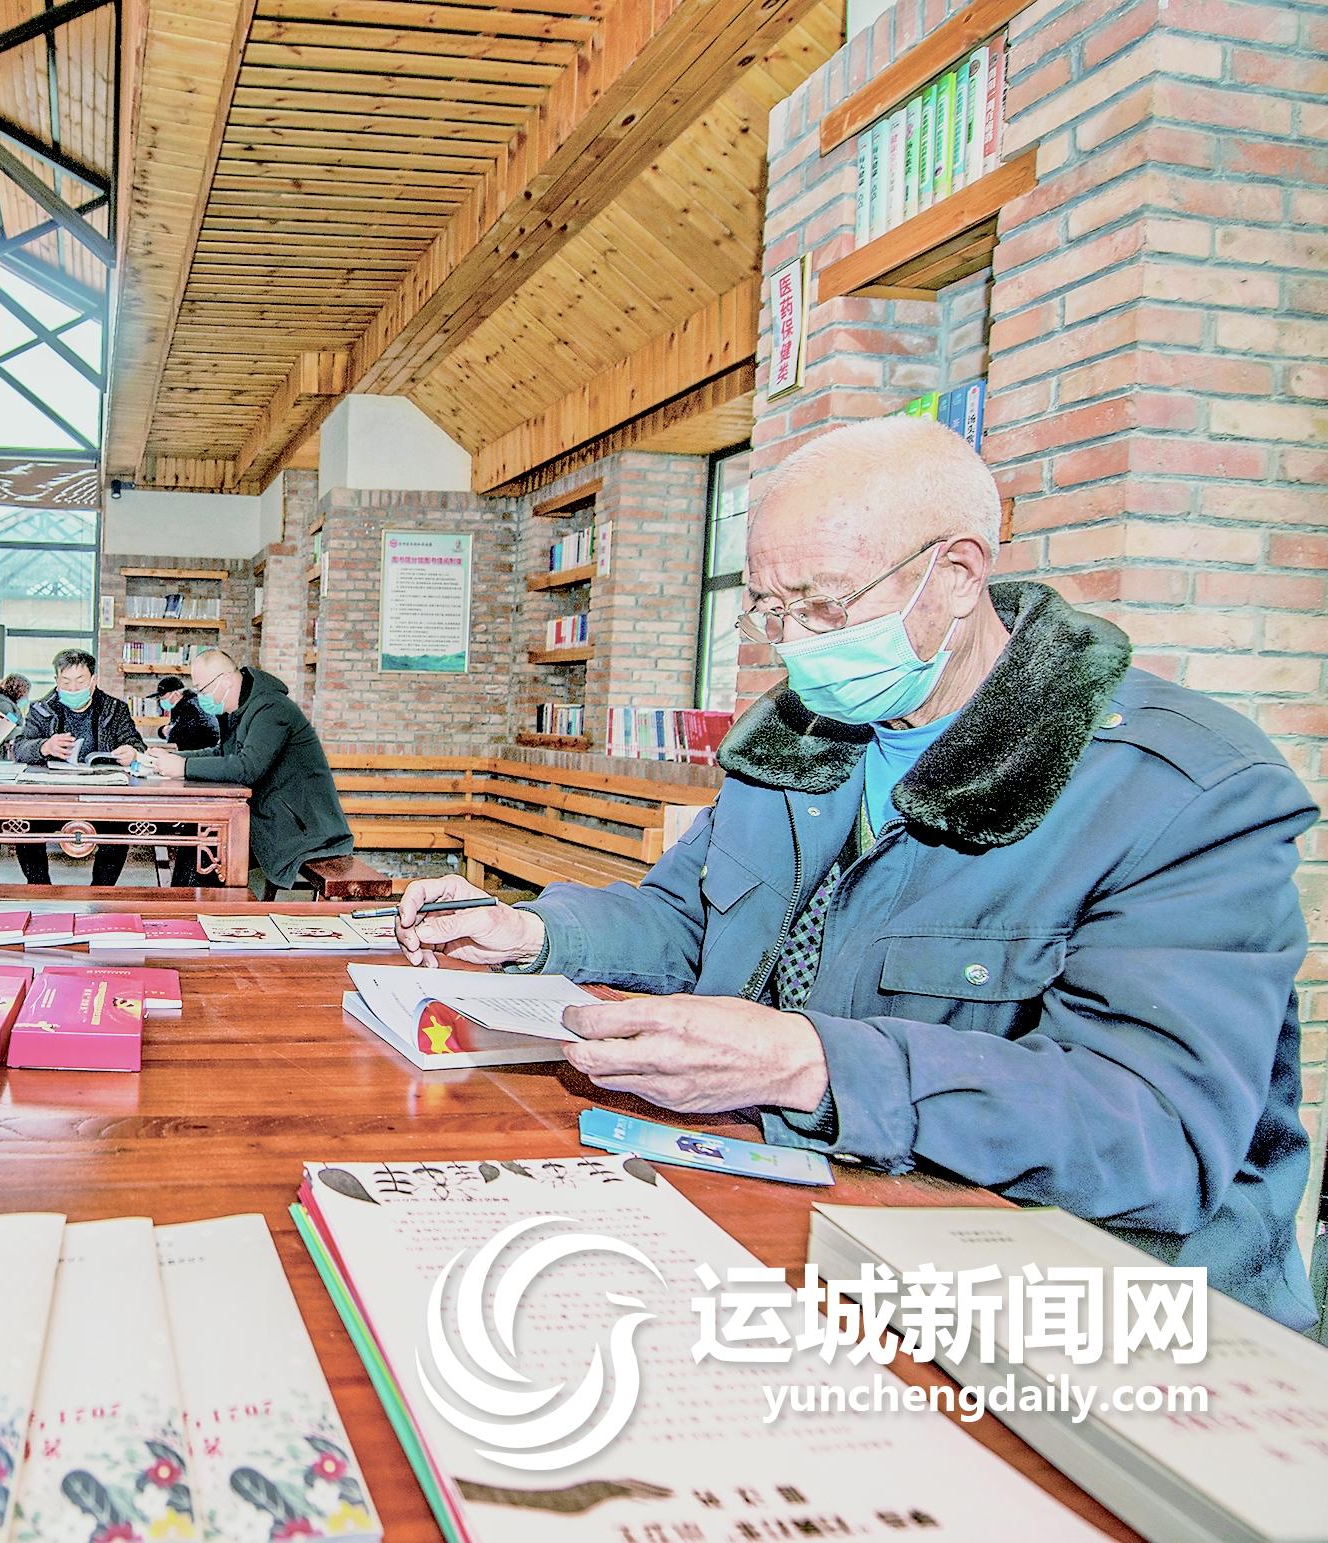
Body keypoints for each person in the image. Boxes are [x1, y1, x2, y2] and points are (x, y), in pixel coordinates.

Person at [395, 416, 1319, 1329]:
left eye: (826, 604)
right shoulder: (798, 738)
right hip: (813, 1216)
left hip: (1085, 1308)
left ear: (956, 575)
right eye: (770, 608)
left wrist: (813, 1063)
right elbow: (688, 920)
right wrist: (536, 930)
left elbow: (1153, 1131)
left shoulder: (1184, 791)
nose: (794, 642)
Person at [144, 649, 352, 894]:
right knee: (200, 841)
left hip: (301, 829)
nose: (200, 697)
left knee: (209, 848)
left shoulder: (272, 708)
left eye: (202, 690)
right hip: (269, 815)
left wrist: (183, 768)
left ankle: (198, 909)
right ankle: (185, 908)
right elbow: (222, 754)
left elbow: (248, 768)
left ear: (225, 680)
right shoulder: (240, 710)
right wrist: (174, 759)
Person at [9, 649, 147, 886]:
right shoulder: (41, 709)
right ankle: (40, 889)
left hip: (102, 797)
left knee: (119, 829)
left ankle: (101, 892)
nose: (73, 689)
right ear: (56, 681)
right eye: (66, 682)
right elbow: (20, 748)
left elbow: (136, 744)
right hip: (51, 798)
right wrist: (44, 746)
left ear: (93, 680)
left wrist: (132, 752)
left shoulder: (115, 709)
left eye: (80, 681)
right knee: (25, 826)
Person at [152, 672, 221, 752]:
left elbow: (178, 737)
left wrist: (169, 733)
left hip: (200, 753)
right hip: (202, 751)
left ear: (176, 693)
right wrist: (163, 730)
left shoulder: (189, 707)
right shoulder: (187, 704)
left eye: (164, 697)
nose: (162, 700)